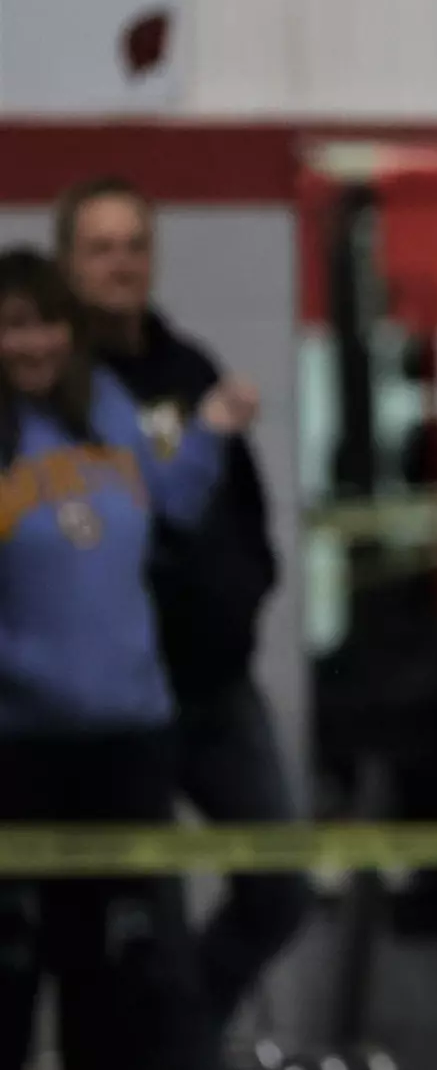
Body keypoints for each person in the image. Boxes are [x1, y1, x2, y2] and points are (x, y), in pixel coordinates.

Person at [52, 175, 309, 1061]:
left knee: (280, 886)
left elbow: (242, 510)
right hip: (121, 705)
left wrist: (246, 590)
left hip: (218, 683)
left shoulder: (188, 367)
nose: (122, 264)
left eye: (134, 245)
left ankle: (180, 1036)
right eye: (101, 248)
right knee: (137, 933)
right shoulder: (58, 392)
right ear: (68, 265)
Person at [0, 246, 259, 1070]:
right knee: (9, 975)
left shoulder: (109, 407)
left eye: (47, 325)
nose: (34, 344)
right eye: (13, 328)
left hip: (129, 742)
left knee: (115, 980)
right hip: (20, 749)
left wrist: (213, 429)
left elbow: (173, 496)